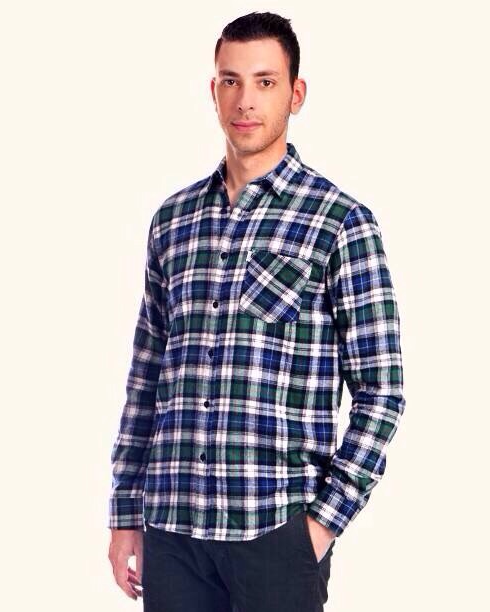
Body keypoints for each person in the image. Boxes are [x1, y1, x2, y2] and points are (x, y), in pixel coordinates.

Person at [107, 11, 405, 612]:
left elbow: (382, 391)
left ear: (296, 93)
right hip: (171, 528)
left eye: (265, 81)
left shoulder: (339, 221)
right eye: (231, 81)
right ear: (213, 90)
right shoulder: (173, 220)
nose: (245, 100)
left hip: (274, 529)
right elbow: (146, 377)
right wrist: (124, 512)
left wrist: (321, 524)